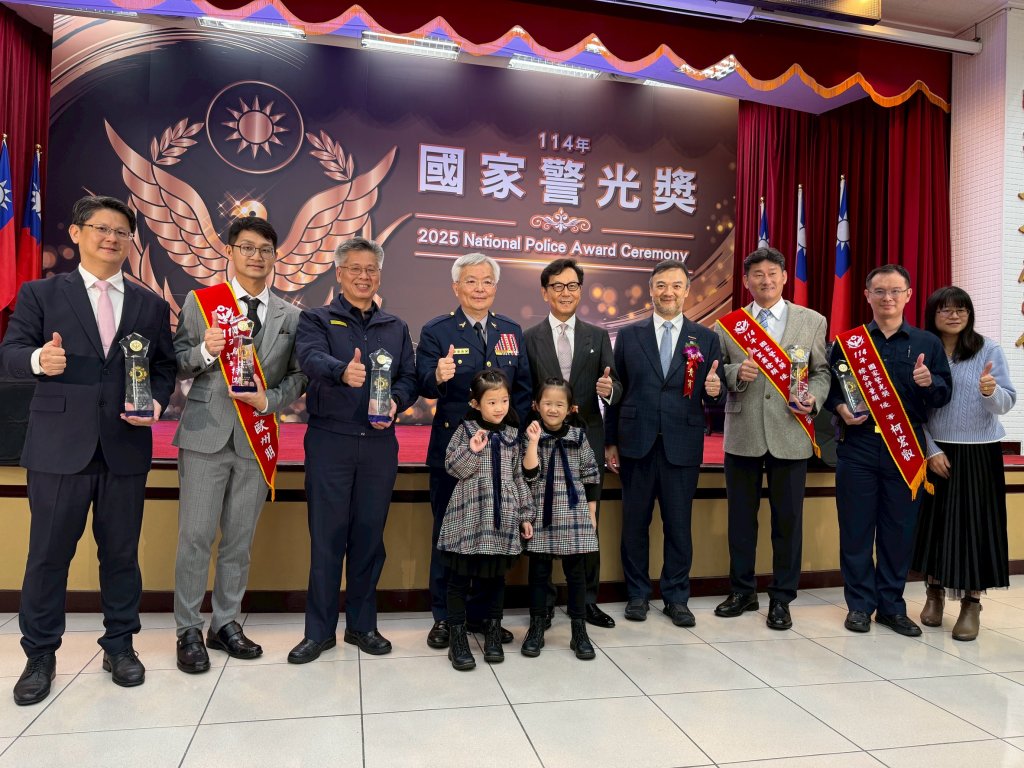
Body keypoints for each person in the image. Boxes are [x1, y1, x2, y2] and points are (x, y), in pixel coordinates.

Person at [0, 195, 175, 705]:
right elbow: (10, 353)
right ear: (77, 233)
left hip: (125, 445)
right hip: (59, 447)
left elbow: (163, 367)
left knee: (120, 554)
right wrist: (39, 360)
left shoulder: (149, 304)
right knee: (48, 555)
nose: (111, 238)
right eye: (101, 228)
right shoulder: (40, 293)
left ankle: (120, 645)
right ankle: (39, 654)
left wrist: (155, 402)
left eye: (121, 232)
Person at [171, 216, 307, 674]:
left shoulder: (291, 316)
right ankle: (188, 629)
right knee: (195, 537)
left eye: (265, 250)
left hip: (257, 437)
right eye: (246, 247)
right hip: (205, 434)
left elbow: (299, 376)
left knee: (239, 540)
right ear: (229, 251)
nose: (256, 257)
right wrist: (206, 351)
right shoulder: (202, 302)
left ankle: (225, 622)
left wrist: (271, 400)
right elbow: (178, 362)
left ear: (274, 257)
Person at [287, 237, 417, 662]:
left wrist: (397, 400)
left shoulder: (395, 326)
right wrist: (343, 371)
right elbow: (309, 358)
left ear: (379, 275)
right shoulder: (317, 319)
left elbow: (409, 377)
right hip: (331, 440)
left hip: (379, 444)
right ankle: (318, 632)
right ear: (339, 273)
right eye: (355, 269)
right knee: (326, 539)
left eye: (371, 270)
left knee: (368, 539)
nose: (364, 277)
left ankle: (362, 626)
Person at [826, 264, 952, 637]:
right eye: (879, 291)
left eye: (896, 291)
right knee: (856, 530)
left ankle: (892, 608)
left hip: (905, 447)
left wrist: (929, 382)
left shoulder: (928, 343)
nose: (888, 298)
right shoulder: (848, 343)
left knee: (899, 531)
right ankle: (859, 606)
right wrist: (840, 407)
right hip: (858, 446)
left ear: (908, 295)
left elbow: (944, 395)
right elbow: (830, 390)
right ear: (867, 296)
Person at [416, 253, 532, 649]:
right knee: (448, 535)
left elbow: (522, 390)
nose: (479, 288)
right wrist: (437, 375)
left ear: (495, 287)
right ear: (456, 287)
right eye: (471, 281)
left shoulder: (510, 331)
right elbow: (422, 384)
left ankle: (483, 616)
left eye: (487, 281)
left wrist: (512, 438)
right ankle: (445, 618)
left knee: (493, 533)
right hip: (455, 454)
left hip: (501, 456)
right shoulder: (438, 330)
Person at [713, 247, 830, 631]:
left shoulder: (811, 320)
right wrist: (735, 374)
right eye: (757, 275)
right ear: (746, 281)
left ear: (784, 277)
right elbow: (717, 373)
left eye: (772, 273)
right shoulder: (728, 325)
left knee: (788, 521)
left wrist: (814, 398)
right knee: (740, 520)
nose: (765, 280)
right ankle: (742, 591)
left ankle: (782, 598)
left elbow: (822, 371)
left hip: (790, 431)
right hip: (743, 432)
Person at [605, 261, 724, 626]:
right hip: (635, 443)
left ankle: (676, 597)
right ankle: (637, 595)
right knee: (634, 525)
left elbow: (715, 394)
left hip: (681, 445)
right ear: (651, 290)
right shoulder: (629, 335)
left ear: (687, 290)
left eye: (675, 285)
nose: (667, 292)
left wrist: (715, 392)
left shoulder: (705, 338)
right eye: (660, 285)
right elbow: (617, 390)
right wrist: (610, 441)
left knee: (678, 526)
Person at [912, 286, 1016, 641]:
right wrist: (929, 450)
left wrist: (991, 391)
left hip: (979, 452)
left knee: (975, 528)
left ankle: (972, 604)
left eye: (961, 309)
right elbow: (912, 407)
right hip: (935, 449)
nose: (954, 315)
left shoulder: (988, 349)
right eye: (946, 309)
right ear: (933, 314)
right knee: (935, 526)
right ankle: (934, 593)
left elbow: (1006, 402)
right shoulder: (923, 348)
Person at [524, 258, 620, 629]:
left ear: (580, 290)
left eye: (573, 286)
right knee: (542, 519)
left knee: (588, 521)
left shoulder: (598, 336)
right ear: (544, 292)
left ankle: (588, 601)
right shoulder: (529, 337)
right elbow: (523, 391)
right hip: (542, 444)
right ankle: (544, 604)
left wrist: (609, 390)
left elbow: (616, 385)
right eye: (558, 286)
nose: (566, 293)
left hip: (586, 440)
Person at [438, 370, 535, 670]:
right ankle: (457, 637)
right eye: (492, 402)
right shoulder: (466, 430)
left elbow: (518, 478)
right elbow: (452, 467)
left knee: (495, 580)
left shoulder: (512, 435)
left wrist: (525, 515)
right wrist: (472, 449)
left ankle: (492, 631)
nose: (499, 407)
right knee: (458, 580)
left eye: (504, 400)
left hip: (502, 519)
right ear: (476, 403)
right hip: (468, 517)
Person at [521, 378, 600, 659]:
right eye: (547, 403)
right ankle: (536, 626)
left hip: (573, 511)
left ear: (570, 408)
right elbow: (528, 473)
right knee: (539, 574)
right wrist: (532, 442)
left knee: (576, 574)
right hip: (541, 510)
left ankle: (579, 630)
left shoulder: (578, 436)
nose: (552, 409)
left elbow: (591, 474)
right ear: (536, 405)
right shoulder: (531, 434)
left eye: (559, 404)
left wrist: (591, 513)